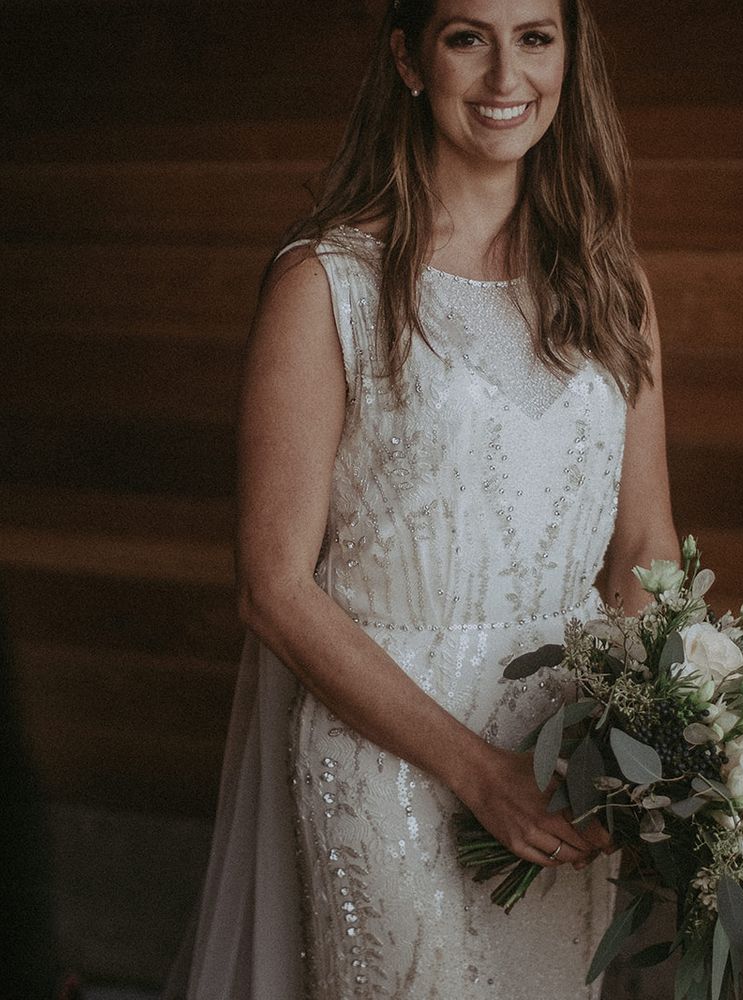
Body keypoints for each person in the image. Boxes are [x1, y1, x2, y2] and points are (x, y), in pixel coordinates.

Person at [167, 0, 679, 997]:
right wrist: (479, 772)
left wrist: (653, 741)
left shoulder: (614, 285)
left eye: (534, 37)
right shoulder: (327, 284)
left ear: (568, 58)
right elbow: (274, 585)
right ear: (408, 58)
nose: (504, 77)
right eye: (465, 37)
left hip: (563, 760)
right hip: (393, 757)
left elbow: (646, 545)